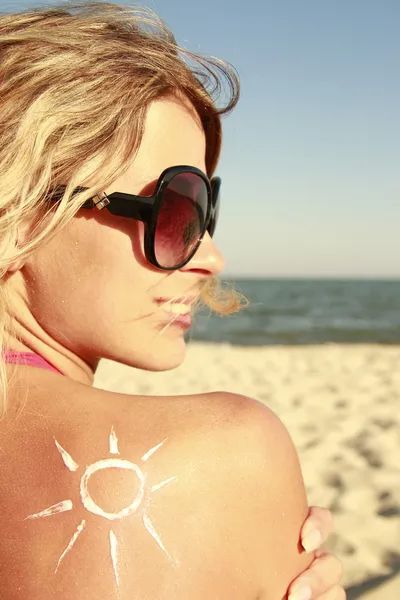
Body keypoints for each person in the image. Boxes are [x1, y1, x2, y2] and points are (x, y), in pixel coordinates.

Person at [0, 2, 344, 599]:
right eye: (175, 210)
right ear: (24, 211)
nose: (210, 257)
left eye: (206, 210)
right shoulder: (229, 447)